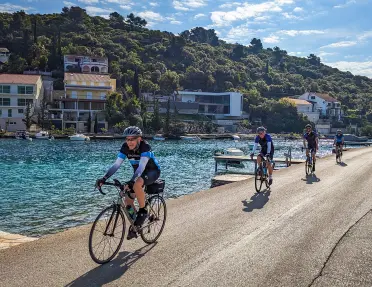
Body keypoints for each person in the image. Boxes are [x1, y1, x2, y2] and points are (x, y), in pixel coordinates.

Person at [96, 126, 161, 237]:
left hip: (151, 172)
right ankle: (137, 224)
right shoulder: (125, 147)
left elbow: (141, 167)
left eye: (132, 139)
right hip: (138, 174)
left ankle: (143, 211)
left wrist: (132, 181)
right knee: (128, 201)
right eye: (127, 139)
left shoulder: (145, 147)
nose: (129, 142)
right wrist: (104, 178)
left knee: (136, 184)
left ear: (139, 139)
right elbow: (116, 165)